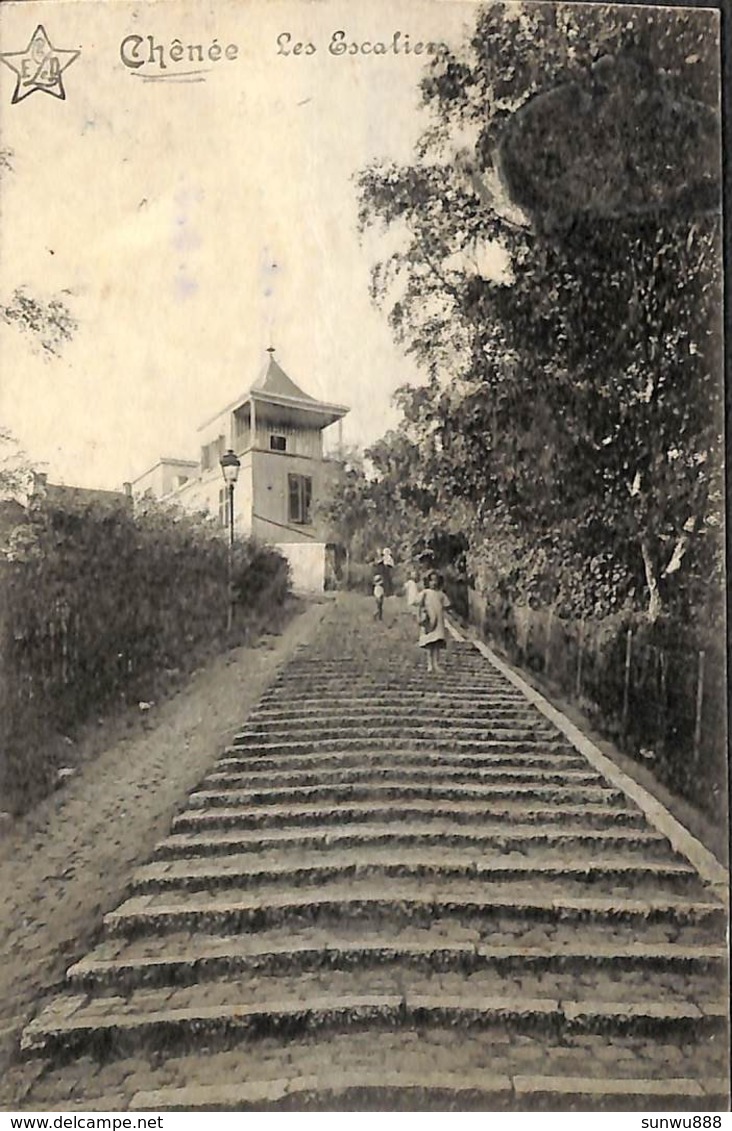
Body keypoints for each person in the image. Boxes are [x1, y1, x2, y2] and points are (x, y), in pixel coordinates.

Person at [418, 570, 451, 673]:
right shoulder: (425, 593)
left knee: (436, 643)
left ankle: (436, 664)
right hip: (429, 620)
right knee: (429, 642)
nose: (433, 583)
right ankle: (429, 664)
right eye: (431, 580)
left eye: (436, 580)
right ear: (428, 582)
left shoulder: (441, 594)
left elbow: (447, 604)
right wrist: (421, 615)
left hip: (439, 621)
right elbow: (419, 603)